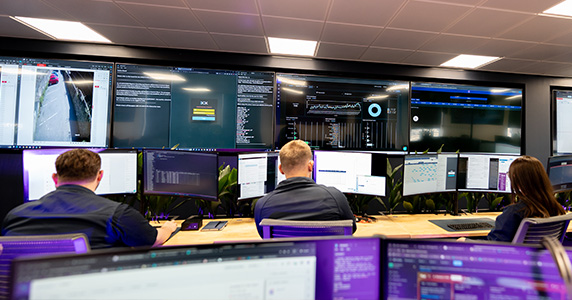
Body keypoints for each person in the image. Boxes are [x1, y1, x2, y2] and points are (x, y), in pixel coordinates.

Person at [2, 149, 177, 249]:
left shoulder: (15, 216)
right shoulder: (118, 214)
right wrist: (168, 227)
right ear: (99, 176)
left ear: (55, 178)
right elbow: (154, 240)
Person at [254, 140, 357, 237]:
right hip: (325, 255)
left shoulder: (262, 205)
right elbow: (351, 229)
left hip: (287, 255)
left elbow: (264, 236)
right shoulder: (335, 198)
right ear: (310, 165)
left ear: (280, 169)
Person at [487, 155, 565, 242]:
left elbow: (493, 244)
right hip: (541, 255)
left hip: (513, 255)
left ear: (515, 178)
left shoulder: (514, 212)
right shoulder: (557, 208)